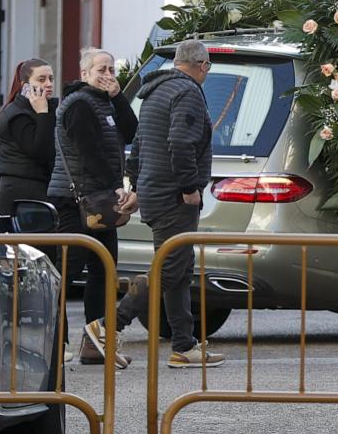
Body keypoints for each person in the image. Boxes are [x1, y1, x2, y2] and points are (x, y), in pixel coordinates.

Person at [111, 39, 221, 368]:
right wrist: (190, 187)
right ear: (202, 65)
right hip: (175, 196)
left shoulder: (157, 90)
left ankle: (184, 345)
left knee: (178, 270)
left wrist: (136, 186)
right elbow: (180, 141)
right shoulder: (187, 92)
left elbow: (142, 143)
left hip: (156, 191)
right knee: (169, 268)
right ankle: (108, 325)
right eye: (208, 68)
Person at [57, 49, 141, 368]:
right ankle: (53, 341)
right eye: (100, 69)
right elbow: (88, 152)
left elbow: (132, 131)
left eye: (110, 68)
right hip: (76, 199)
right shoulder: (79, 103)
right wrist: (116, 185)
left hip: (99, 198)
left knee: (104, 271)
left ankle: (95, 343)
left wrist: (119, 97)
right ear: (84, 74)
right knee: (68, 271)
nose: (107, 74)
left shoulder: (104, 101)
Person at [0, 58, 56, 215]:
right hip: (20, 195)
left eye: (51, 78)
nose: (48, 84)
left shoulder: (40, 110)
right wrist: (43, 113)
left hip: (36, 191)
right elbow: (40, 151)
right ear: (25, 86)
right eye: (41, 79)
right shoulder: (18, 114)